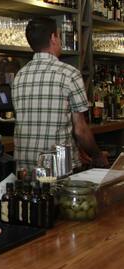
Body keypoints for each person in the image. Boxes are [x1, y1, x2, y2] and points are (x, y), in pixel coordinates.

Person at [12, 17, 108, 172]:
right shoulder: (69, 74)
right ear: (53, 38)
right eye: (59, 35)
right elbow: (80, 130)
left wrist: (78, 150)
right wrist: (97, 155)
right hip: (59, 168)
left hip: (25, 169)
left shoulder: (19, 76)